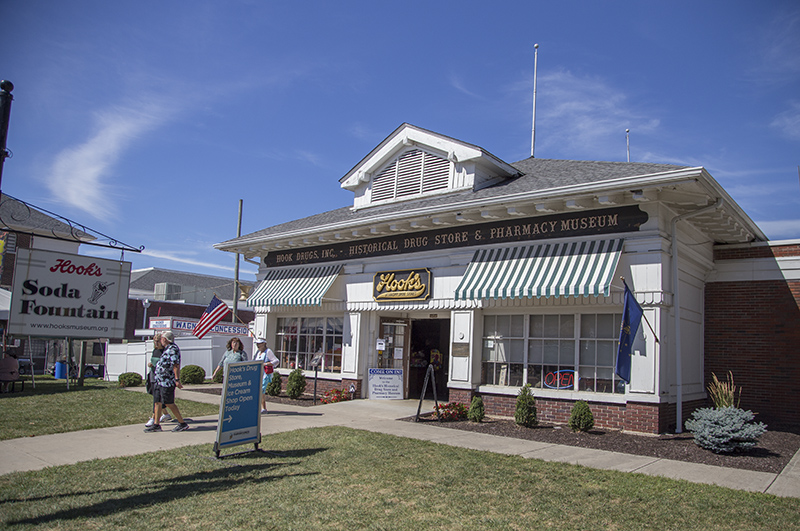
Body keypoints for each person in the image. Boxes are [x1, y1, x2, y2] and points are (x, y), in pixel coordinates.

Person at [144, 331, 189, 432]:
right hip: (159, 381)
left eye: (161, 339)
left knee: (168, 403)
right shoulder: (166, 349)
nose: (160, 341)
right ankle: (156, 425)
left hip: (167, 381)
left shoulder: (173, 349)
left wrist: (177, 379)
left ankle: (182, 423)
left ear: (164, 339)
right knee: (157, 402)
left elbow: (175, 364)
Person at [145, 333, 172, 427]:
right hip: (153, 375)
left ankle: (153, 418)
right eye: (154, 341)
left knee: (158, 399)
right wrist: (150, 364)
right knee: (156, 397)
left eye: (157, 341)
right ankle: (165, 414)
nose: (156, 343)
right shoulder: (155, 351)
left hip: (161, 377)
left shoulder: (165, 351)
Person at [253, 338, 279, 414]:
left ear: (264, 344)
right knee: (258, 390)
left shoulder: (268, 352)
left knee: (262, 390)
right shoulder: (258, 352)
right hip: (258, 374)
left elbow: (276, 361)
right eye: (257, 344)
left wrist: (266, 364)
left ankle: (263, 408)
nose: (258, 345)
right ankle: (258, 407)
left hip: (265, 374)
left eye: (259, 344)